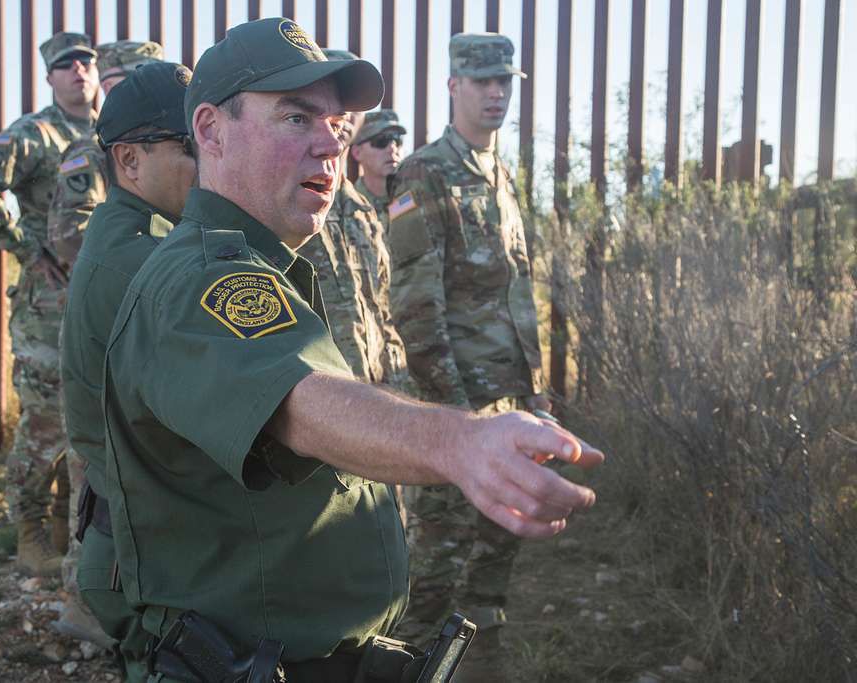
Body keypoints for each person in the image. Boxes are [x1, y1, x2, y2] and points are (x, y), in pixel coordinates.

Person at [102, 18, 602, 682]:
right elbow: (300, 399)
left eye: (335, 126)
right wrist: (459, 441)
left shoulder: (266, 263)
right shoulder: (203, 277)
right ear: (211, 130)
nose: (329, 147)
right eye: (295, 119)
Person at [386, 32, 548, 678]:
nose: (496, 93)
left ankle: (480, 668)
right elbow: (416, 306)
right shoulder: (425, 173)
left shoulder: (500, 173)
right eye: (482, 82)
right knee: (438, 570)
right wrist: (455, 419)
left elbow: (517, 288)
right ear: (452, 86)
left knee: (492, 563)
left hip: (507, 403)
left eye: (505, 81)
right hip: (457, 411)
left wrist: (534, 391)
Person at [59, 61, 196, 678]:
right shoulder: (142, 261)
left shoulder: (149, 237)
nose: (210, 159)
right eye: (190, 145)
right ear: (129, 161)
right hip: (145, 556)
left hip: (141, 543)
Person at [0, 31, 99, 577]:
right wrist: (27, 247)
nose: (78, 71)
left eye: (86, 61)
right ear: (50, 78)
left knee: (87, 417)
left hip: (97, 301)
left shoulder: (114, 133)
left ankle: (70, 526)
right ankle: (30, 531)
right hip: (49, 308)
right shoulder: (34, 135)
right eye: (66, 65)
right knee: (44, 420)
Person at [46, 39, 164, 648]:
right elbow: (73, 235)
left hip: (136, 317)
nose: (119, 88)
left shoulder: (167, 147)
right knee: (94, 469)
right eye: (115, 78)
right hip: (100, 310)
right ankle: (88, 600)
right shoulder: (84, 154)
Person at [297, 49, 411, 393]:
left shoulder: (364, 211)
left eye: (348, 105)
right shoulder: (291, 202)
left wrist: (401, 393)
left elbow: (382, 310)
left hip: (377, 395)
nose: (341, 115)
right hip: (325, 401)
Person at [48, 40, 164, 269]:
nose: (158, 88)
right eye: (143, 79)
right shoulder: (94, 152)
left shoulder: (173, 143)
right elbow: (72, 236)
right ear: (111, 87)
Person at [351, 109, 406, 226]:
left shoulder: (417, 196)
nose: (392, 148)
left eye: (397, 140)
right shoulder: (346, 204)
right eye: (381, 141)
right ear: (357, 152)